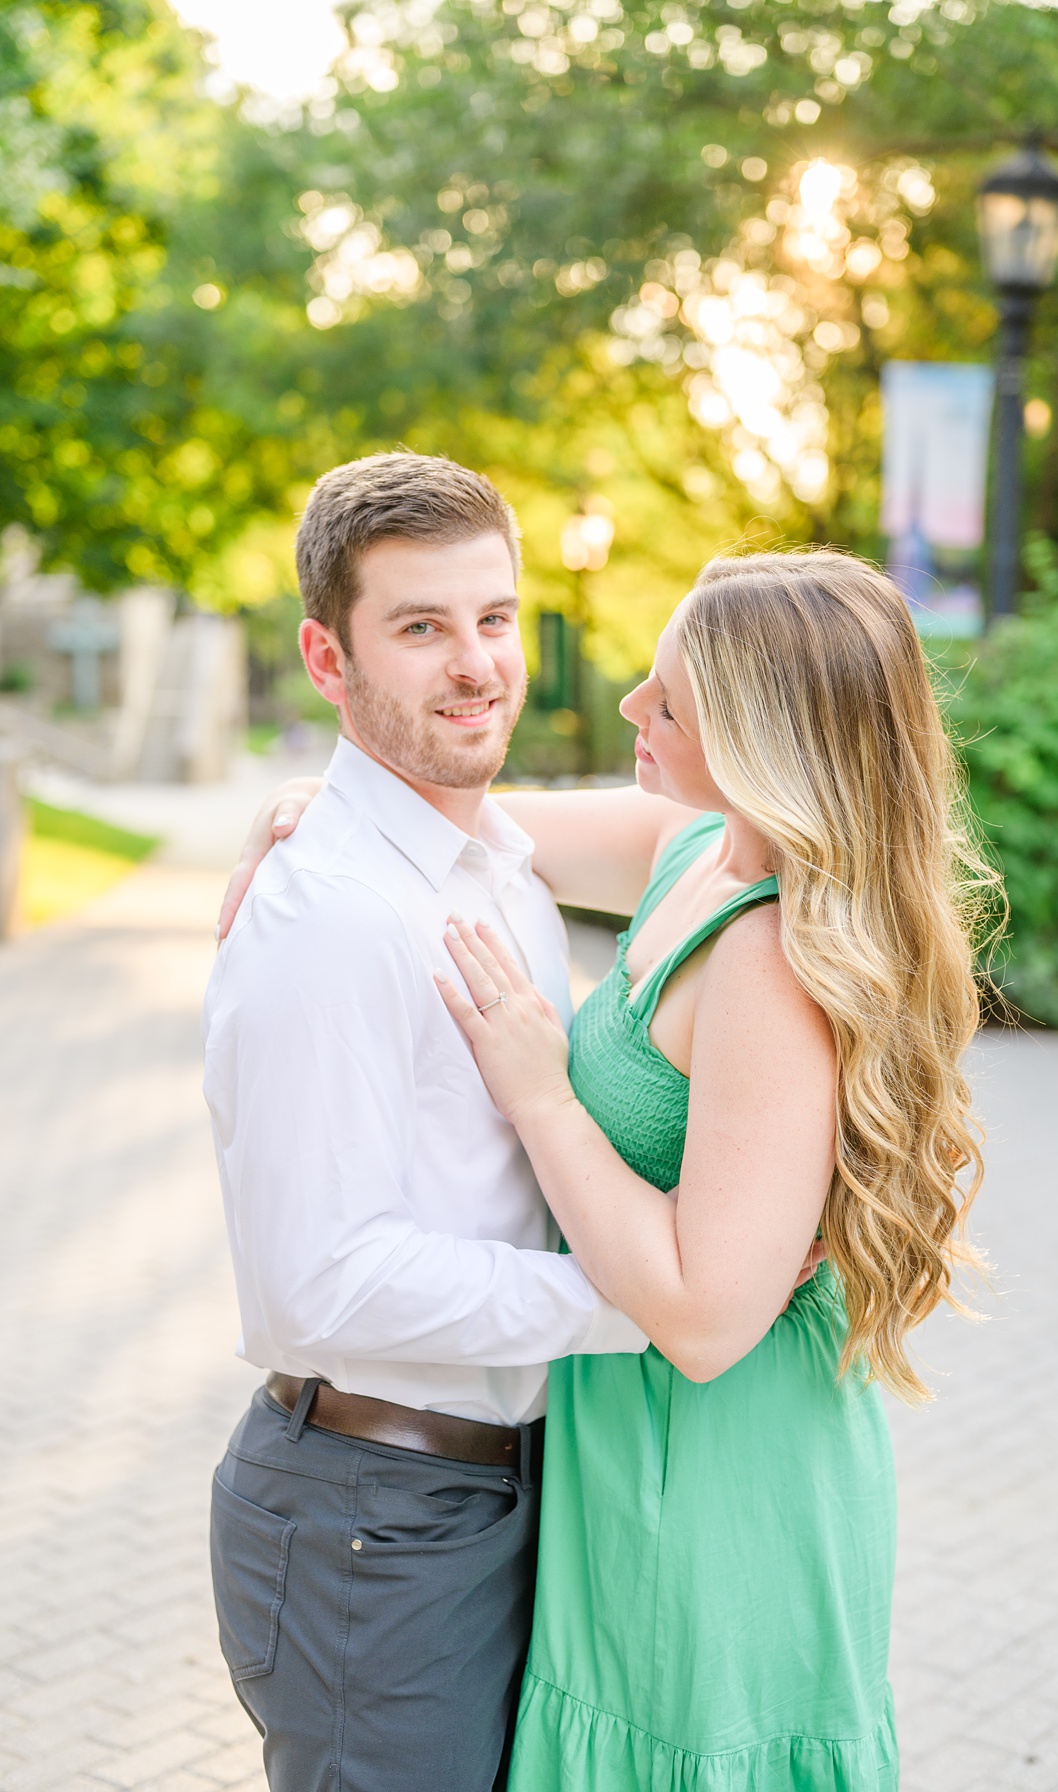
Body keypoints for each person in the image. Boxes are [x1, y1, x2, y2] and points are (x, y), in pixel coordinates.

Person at [223, 547, 993, 1788]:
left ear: (759, 740)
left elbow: (698, 1318)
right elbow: (483, 823)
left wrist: (540, 1095)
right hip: (614, 1457)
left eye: (670, 703)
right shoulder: (696, 851)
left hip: (718, 1470)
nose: (632, 709)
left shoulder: (771, 961)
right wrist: (331, 810)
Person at [204, 451, 653, 1790]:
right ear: (326, 660)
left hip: (495, 1494)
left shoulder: (497, 866)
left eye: (495, 618)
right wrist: (643, 1295)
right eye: (420, 628)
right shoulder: (328, 915)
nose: (476, 664)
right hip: (368, 1528)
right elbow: (320, 1282)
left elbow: (772, 822)